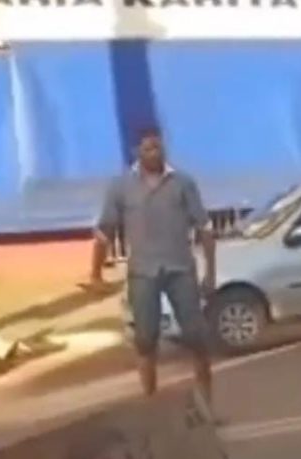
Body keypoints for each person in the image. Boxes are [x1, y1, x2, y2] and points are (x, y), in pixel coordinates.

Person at [83, 126, 217, 414]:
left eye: (158, 147)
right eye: (148, 149)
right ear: (136, 153)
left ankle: (207, 406)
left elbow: (204, 228)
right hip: (143, 272)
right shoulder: (121, 186)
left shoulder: (182, 183)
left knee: (197, 337)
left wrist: (211, 273)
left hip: (180, 269)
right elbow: (104, 231)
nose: (154, 153)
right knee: (146, 341)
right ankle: (151, 409)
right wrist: (95, 273)